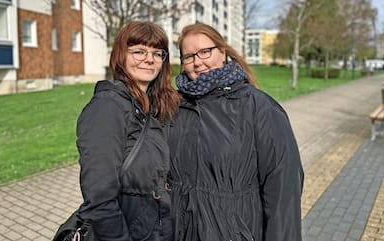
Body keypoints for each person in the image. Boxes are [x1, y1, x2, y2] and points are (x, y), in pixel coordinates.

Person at [168, 23, 304, 241]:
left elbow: (283, 190)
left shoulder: (257, 107)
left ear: (222, 52)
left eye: (205, 51)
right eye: (189, 56)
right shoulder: (175, 106)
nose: (197, 61)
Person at [76, 21, 180, 241]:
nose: (149, 59)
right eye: (139, 51)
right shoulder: (108, 107)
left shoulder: (156, 106)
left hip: (159, 229)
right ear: (121, 55)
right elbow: (99, 195)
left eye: (157, 53)